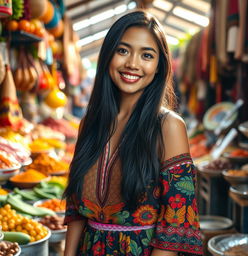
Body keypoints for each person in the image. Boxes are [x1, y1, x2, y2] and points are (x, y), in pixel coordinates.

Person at [64, 10, 203, 256]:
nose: (132, 64)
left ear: (160, 66)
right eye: (123, 50)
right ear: (108, 55)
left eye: (146, 55)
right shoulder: (90, 124)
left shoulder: (168, 127)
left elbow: (175, 225)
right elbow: (75, 209)